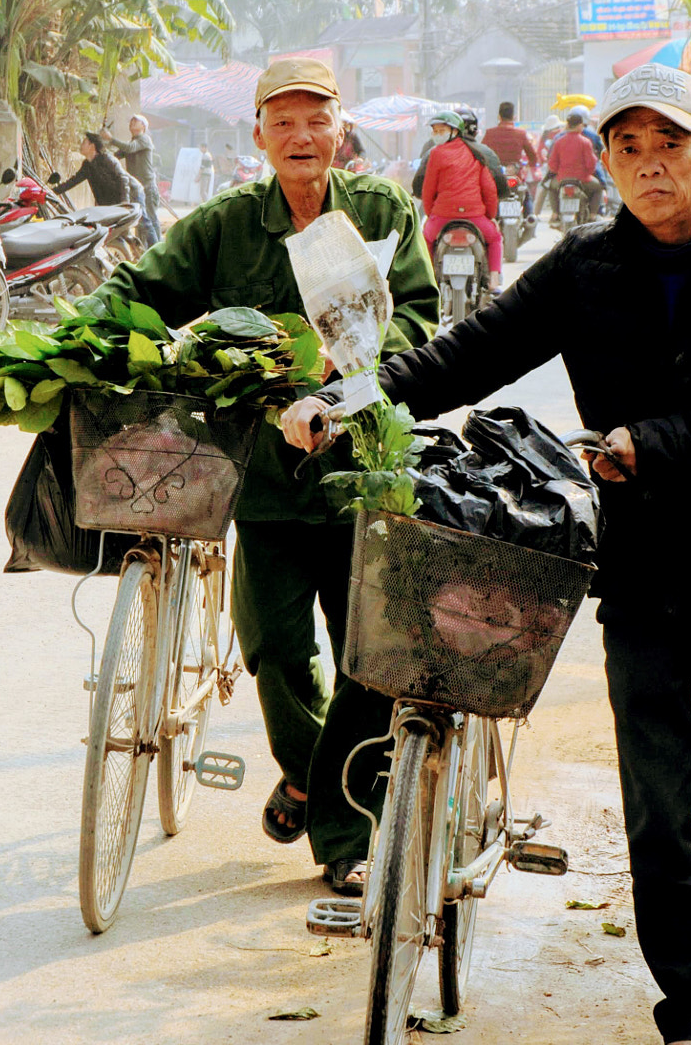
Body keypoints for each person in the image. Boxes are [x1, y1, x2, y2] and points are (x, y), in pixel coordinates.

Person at [283, 61, 691, 1045]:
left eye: (669, 143)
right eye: (626, 147)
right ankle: (686, 1000)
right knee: (658, 812)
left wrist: (650, 442)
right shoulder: (582, 268)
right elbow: (466, 352)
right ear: (605, 161)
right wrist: (343, 401)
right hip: (644, 576)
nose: (648, 164)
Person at [96, 57, 439, 896]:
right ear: (257, 136)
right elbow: (143, 290)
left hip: (363, 469)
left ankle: (342, 832)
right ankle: (311, 773)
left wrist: (357, 375)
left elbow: (423, 320)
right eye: (281, 122)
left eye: (315, 120)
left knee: (368, 656)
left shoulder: (385, 213)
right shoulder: (225, 225)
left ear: (341, 131)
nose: (301, 136)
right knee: (275, 649)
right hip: (266, 482)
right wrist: (91, 340)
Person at [415, 108, 507, 290]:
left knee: (425, 239)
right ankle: (494, 280)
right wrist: (490, 216)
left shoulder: (436, 153)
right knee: (495, 238)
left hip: (442, 216)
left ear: (455, 131)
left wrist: (431, 214)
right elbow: (489, 190)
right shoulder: (477, 154)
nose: (437, 135)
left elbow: (428, 189)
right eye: (435, 131)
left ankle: (428, 281)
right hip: (475, 216)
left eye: (441, 130)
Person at [112, 115, 165, 248]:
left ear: (143, 127)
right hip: (137, 188)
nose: (132, 122)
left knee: (151, 218)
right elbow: (117, 155)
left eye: (136, 121)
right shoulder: (132, 143)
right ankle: (145, 249)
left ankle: (159, 248)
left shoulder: (144, 139)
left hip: (147, 186)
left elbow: (129, 148)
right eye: (131, 121)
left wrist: (110, 139)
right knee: (141, 220)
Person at [483, 100, 540, 219]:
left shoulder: (490, 133)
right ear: (514, 117)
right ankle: (530, 217)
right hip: (515, 177)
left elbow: (482, 153)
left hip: (496, 177)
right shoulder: (520, 133)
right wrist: (531, 164)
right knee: (526, 194)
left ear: (499, 116)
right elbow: (532, 155)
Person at [547, 105, 603, 225]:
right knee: (598, 188)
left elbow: (552, 164)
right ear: (579, 126)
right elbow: (591, 164)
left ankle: (555, 213)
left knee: (552, 187)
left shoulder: (559, 141)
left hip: (561, 179)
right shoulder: (585, 142)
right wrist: (587, 173)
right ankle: (593, 215)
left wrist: (559, 172)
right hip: (583, 180)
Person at [52, 131, 132, 207]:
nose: (81, 146)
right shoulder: (87, 165)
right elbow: (73, 181)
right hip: (106, 206)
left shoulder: (107, 159)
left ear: (92, 146)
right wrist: (52, 192)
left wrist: (125, 202)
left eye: (84, 143)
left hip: (123, 202)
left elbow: (123, 179)